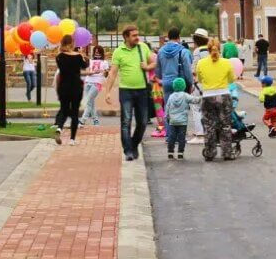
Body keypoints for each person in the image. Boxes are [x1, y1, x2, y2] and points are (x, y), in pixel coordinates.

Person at [103, 26, 156, 160]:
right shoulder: (119, 51)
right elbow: (113, 73)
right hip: (126, 91)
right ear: (126, 37)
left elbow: (154, 62)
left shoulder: (142, 47)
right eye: (134, 35)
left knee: (143, 122)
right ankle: (128, 151)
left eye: (137, 34)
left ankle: (133, 145)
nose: (137, 37)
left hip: (142, 90)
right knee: (126, 121)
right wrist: (107, 92)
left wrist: (147, 67)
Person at [194, 38, 237, 161]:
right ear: (220, 49)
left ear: (208, 50)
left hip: (208, 96)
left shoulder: (201, 63)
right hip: (223, 95)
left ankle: (210, 153)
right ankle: (227, 152)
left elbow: (200, 80)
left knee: (209, 126)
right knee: (225, 125)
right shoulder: (227, 63)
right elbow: (231, 80)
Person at [53, 35, 87, 145]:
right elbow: (85, 66)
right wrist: (83, 56)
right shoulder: (77, 56)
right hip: (76, 87)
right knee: (75, 112)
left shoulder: (59, 57)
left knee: (64, 110)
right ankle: (72, 139)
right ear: (71, 43)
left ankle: (59, 129)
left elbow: (61, 70)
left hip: (63, 87)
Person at [157, 27, 194, 111]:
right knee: (180, 110)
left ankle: (168, 124)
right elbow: (187, 69)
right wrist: (191, 83)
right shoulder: (183, 51)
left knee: (168, 108)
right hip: (179, 83)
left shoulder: (161, 51)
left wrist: (160, 80)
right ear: (179, 37)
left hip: (166, 82)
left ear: (168, 37)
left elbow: (158, 69)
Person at [188, 28, 210, 143]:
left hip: (199, 83)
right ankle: (208, 131)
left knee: (196, 107)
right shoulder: (211, 50)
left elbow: (194, 69)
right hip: (210, 83)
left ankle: (200, 134)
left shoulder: (197, 51)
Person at [82, 45, 109, 125]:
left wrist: (104, 71)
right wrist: (92, 72)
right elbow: (87, 72)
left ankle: (82, 120)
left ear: (101, 52)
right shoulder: (90, 61)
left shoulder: (105, 62)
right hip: (87, 82)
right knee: (91, 102)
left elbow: (106, 75)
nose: (97, 53)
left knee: (88, 101)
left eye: (98, 51)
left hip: (97, 83)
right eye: (95, 51)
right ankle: (96, 120)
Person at [165, 77, 191, 159]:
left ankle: (170, 152)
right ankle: (180, 153)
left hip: (172, 121)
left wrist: (167, 117)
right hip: (183, 122)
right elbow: (194, 100)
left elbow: (167, 107)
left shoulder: (171, 96)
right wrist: (201, 98)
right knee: (181, 137)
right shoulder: (185, 96)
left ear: (174, 86)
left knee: (171, 137)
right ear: (184, 86)